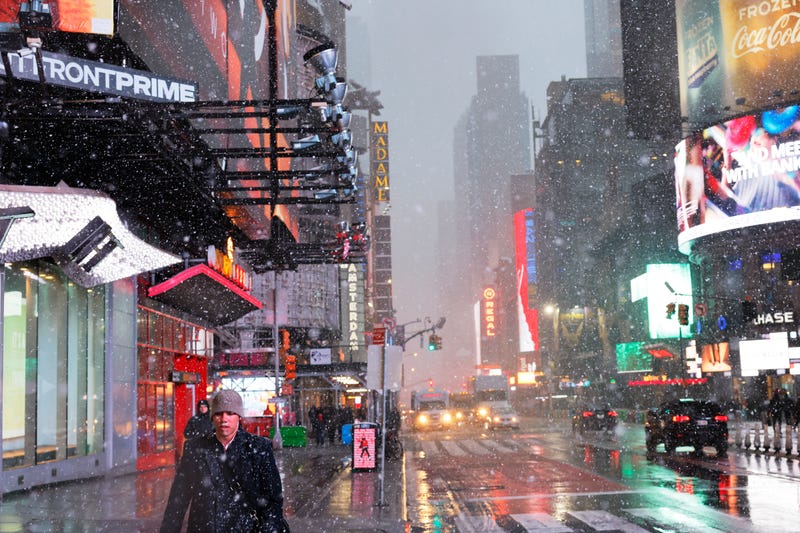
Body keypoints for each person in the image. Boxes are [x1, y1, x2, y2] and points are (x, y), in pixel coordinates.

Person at [160, 390, 289, 533]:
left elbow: (273, 498)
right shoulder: (195, 448)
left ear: (239, 416)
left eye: (230, 413)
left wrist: (269, 527)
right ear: (212, 416)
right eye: (218, 414)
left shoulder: (257, 448)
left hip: (246, 528)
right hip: (204, 528)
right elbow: (178, 498)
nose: (224, 419)